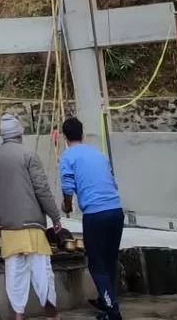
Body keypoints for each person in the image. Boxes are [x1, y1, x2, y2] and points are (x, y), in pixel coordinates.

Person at [0, 113, 62, 320]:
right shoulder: (28, 155)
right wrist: (55, 217)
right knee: (42, 272)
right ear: (20, 133)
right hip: (32, 225)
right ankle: (52, 313)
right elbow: (42, 189)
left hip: (8, 226)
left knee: (15, 272)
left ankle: (19, 314)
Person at [59, 117, 124, 320]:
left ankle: (112, 312)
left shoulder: (68, 156)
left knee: (96, 264)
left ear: (64, 137)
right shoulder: (99, 155)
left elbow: (68, 188)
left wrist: (67, 206)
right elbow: (113, 183)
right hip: (116, 210)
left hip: (95, 215)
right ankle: (107, 299)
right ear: (83, 133)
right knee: (109, 260)